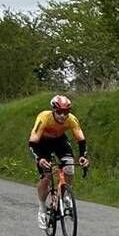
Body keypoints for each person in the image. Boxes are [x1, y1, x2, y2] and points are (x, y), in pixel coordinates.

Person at [27, 95, 90, 228]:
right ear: (53, 111)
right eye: (59, 112)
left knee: (69, 167)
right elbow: (33, 142)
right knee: (47, 177)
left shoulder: (72, 119)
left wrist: (83, 157)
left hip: (59, 141)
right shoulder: (44, 117)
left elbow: (81, 140)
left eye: (66, 112)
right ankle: (42, 209)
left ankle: (66, 193)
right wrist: (40, 158)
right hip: (41, 143)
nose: (62, 116)